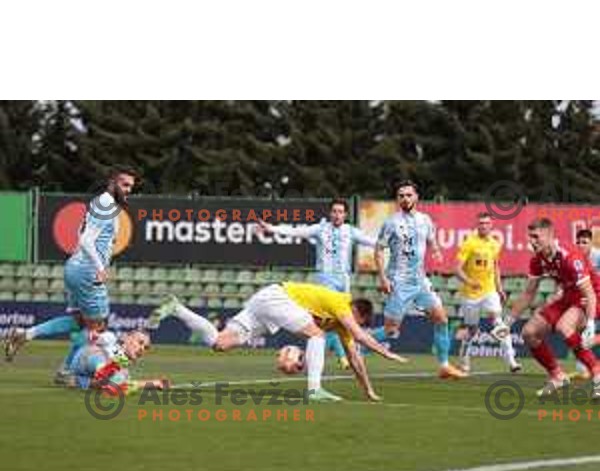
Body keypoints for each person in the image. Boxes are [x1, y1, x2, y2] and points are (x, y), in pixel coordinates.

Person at [150, 282, 408, 403]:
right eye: (357, 320)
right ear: (355, 310)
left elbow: (355, 357)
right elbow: (362, 337)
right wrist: (387, 353)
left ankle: (176, 307)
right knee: (316, 335)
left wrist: (367, 390)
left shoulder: (342, 324)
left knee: (219, 343)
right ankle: (314, 389)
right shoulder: (341, 303)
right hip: (277, 297)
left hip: (266, 302)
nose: (354, 325)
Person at [4, 166, 138, 376]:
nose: (128, 189)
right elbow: (86, 239)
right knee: (98, 328)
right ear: (112, 183)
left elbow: (81, 234)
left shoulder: (102, 203)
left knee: (79, 322)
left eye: (131, 186)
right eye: (125, 184)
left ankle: (25, 334)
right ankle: (67, 371)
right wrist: (100, 267)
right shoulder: (105, 204)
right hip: (88, 272)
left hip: (77, 268)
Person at [258, 198, 386, 368]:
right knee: (333, 319)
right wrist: (272, 228)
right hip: (325, 278)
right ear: (330, 213)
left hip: (344, 280)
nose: (337, 215)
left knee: (338, 322)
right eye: (334, 211)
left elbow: (371, 241)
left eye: (340, 212)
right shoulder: (320, 229)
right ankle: (342, 357)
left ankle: (331, 355)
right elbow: (296, 232)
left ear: (345, 214)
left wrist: (390, 244)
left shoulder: (350, 231)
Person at [374, 180, 465, 379]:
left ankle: (444, 365)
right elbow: (379, 250)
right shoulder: (391, 222)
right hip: (399, 282)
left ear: (416, 197)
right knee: (390, 331)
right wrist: (382, 278)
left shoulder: (425, 220)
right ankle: (356, 343)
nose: (405, 199)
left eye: (409, 195)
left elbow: (431, 239)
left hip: (420, 281)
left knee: (442, 319)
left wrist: (437, 251)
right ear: (397, 199)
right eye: (401, 195)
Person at [508, 218, 600, 397]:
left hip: (592, 296)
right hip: (568, 296)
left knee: (564, 327)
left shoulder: (569, 256)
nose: (532, 241)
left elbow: (589, 293)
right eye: (530, 237)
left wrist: (589, 324)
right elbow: (528, 294)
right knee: (529, 332)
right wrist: (507, 322)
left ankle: (597, 371)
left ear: (550, 235)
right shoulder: (538, 260)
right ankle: (558, 376)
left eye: (536, 237)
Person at [455, 212, 521, 374]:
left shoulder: (495, 244)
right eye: (481, 223)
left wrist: (499, 288)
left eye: (486, 223)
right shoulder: (469, 243)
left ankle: (511, 361)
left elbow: (496, 266)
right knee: (472, 330)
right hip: (470, 294)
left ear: (491, 226)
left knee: (498, 322)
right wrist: (470, 282)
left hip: (489, 291)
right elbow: (456, 269)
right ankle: (464, 359)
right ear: (477, 225)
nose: (484, 226)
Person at [60, 329, 163, 394]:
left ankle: (77, 380)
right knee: (118, 380)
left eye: (146, 348)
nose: (142, 348)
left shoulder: (124, 369)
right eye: (140, 342)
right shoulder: (111, 338)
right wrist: (151, 383)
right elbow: (91, 337)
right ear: (126, 338)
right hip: (90, 356)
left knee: (119, 379)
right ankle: (84, 377)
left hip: (83, 372)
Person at [570, 229, 600, 380]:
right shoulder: (576, 258)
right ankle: (584, 369)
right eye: (579, 242)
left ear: (591, 242)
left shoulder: (598, 256)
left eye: (585, 242)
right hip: (588, 298)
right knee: (575, 329)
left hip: (596, 296)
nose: (581, 245)